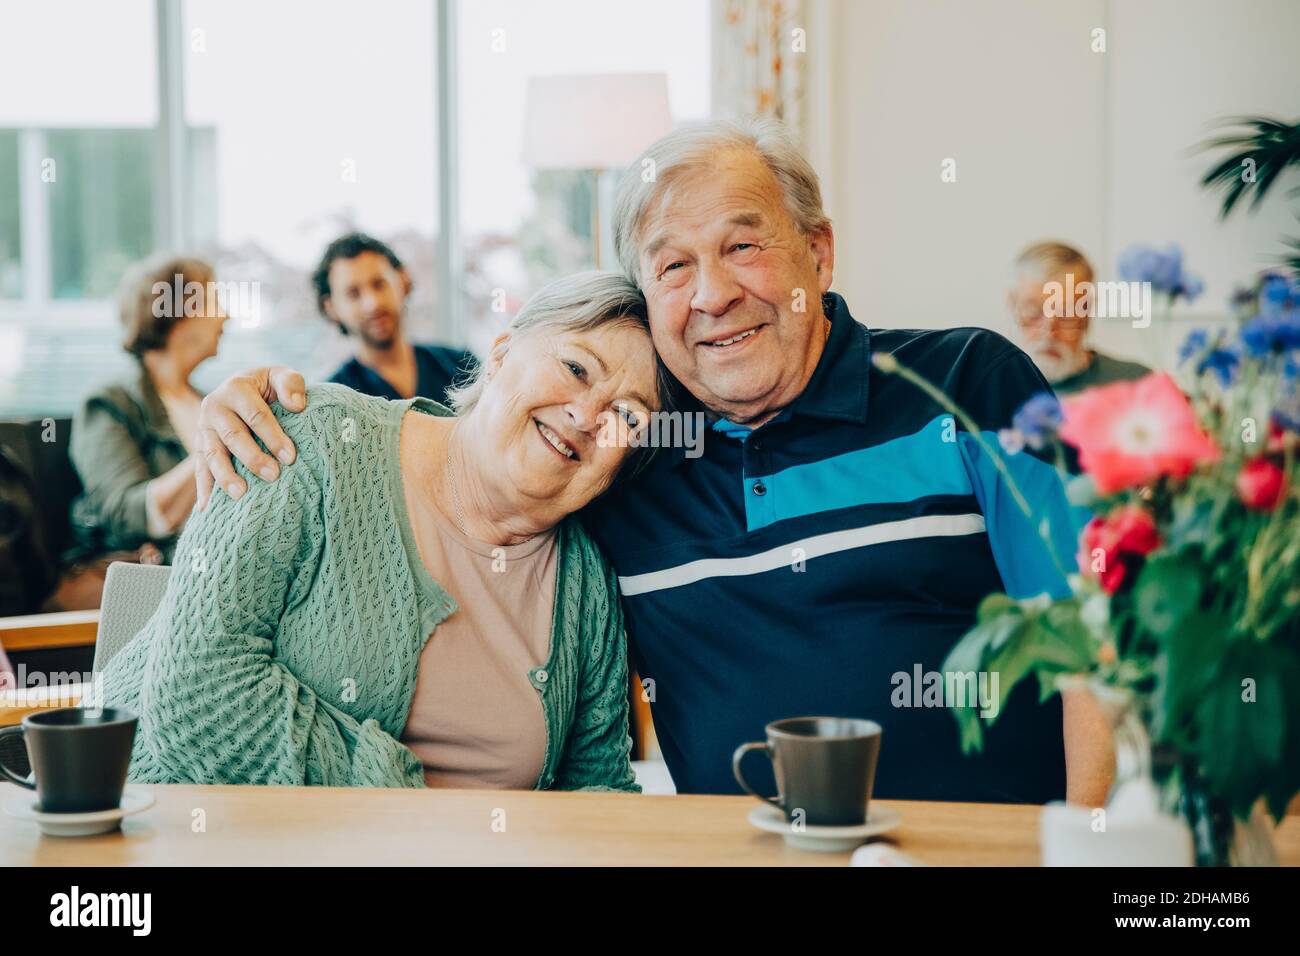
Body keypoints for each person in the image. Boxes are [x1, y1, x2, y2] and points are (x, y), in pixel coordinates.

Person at [190, 120, 1112, 806]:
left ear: (818, 254)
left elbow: (1097, 643)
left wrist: (1094, 854)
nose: (713, 293)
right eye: (673, 267)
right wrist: (274, 408)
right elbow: (471, 457)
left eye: (744, 245)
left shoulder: (969, 381)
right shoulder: (629, 462)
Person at [100, 272, 663, 791]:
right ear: (501, 353)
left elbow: (596, 787)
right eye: (576, 368)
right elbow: (195, 696)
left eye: (629, 415)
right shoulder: (309, 441)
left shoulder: (588, 581)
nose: (590, 416)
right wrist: (415, 816)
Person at [69, 255, 226, 563]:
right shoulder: (108, 404)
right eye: (214, 301)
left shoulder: (208, 402)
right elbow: (123, 517)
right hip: (153, 584)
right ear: (178, 313)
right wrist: (217, 450)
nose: (226, 316)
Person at [314, 232, 477, 402]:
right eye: (353, 293)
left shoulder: (463, 367)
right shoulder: (333, 402)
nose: (373, 304)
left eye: (379, 284)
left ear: (403, 280)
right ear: (331, 307)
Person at [1008, 241, 1149, 396]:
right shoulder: (987, 390)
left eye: (1067, 314)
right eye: (1033, 312)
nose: (1048, 332)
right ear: (1012, 304)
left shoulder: (1138, 385)